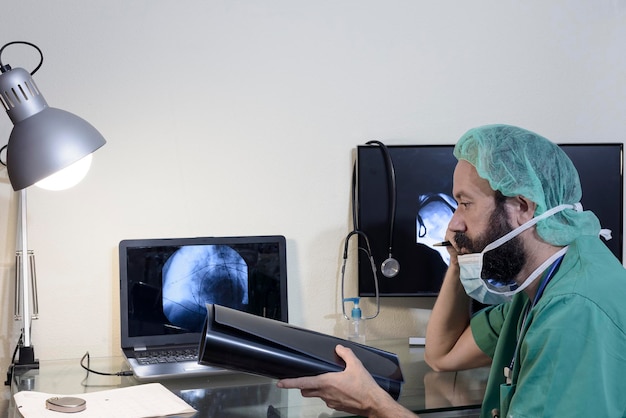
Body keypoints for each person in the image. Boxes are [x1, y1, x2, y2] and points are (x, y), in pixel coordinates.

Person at [277, 124, 626, 417]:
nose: (453, 223)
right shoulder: (545, 281)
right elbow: (442, 355)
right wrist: (461, 256)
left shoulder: (573, 310)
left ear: (522, 206)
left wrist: (372, 404)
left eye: (465, 203)